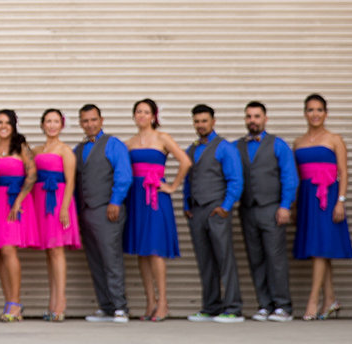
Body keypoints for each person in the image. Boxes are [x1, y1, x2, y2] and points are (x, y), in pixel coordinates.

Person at [123, 98, 191, 322]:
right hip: (136, 198)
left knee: (155, 249)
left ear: (154, 116)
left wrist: (171, 186)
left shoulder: (162, 138)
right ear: (134, 116)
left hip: (155, 198)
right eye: (138, 112)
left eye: (146, 112)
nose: (141, 115)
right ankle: (150, 301)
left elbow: (185, 162)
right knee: (142, 251)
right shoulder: (129, 143)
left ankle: (163, 302)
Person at [236, 101, 297, 322]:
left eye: (256, 116)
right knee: (256, 258)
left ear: (265, 119)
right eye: (249, 117)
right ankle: (264, 304)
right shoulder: (237, 146)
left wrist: (285, 206)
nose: (252, 120)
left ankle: (283, 306)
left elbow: (289, 178)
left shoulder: (278, 145)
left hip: (272, 209)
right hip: (247, 210)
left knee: (276, 258)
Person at [183, 104, 244, 323]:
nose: (200, 125)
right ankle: (210, 307)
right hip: (197, 211)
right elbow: (189, 180)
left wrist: (226, 207)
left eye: (204, 121)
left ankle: (233, 308)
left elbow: (235, 180)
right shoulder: (192, 149)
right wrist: (187, 205)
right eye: (197, 121)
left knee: (224, 258)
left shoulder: (225, 147)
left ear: (213, 122)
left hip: (217, 210)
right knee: (205, 260)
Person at [293, 93, 352, 320]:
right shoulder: (298, 142)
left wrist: (341, 201)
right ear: (305, 113)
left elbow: (344, 172)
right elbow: (296, 176)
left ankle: (313, 300)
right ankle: (330, 299)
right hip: (308, 197)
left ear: (326, 113)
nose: (314, 114)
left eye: (319, 110)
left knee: (320, 248)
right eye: (310, 110)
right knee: (321, 249)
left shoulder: (335, 138)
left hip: (328, 197)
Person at [75, 104, 132, 323]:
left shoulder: (113, 144)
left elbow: (124, 175)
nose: (89, 124)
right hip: (86, 211)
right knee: (95, 260)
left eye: (93, 120)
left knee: (111, 258)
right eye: (85, 121)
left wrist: (115, 201)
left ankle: (120, 307)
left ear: (101, 120)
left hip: (107, 209)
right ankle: (106, 307)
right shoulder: (78, 149)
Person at [0, 108, 38, 322]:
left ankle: (16, 303)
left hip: (14, 203)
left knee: (8, 250)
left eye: (7, 122)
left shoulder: (22, 148)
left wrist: (19, 201)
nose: (3, 126)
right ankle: (9, 303)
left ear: (13, 125)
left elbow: (32, 175)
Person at [29, 108, 79, 322]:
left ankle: (61, 302)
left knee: (57, 252)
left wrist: (64, 207)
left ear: (62, 125)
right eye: (48, 121)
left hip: (58, 201)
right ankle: (52, 301)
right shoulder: (36, 150)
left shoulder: (65, 150)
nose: (51, 125)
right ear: (42, 125)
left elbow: (70, 181)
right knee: (49, 253)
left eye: (55, 121)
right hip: (40, 201)